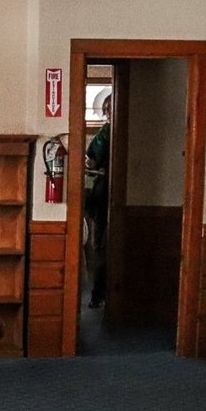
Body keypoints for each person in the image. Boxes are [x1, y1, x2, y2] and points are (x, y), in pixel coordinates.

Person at [85, 97, 112, 307]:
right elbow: (91, 160)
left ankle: (98, 294)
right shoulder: (104, 134)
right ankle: (98, 293)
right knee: (101, 247)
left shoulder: (106, 134)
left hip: (105, 194)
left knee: (100, 246)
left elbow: (91, 159)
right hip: (103, 195)